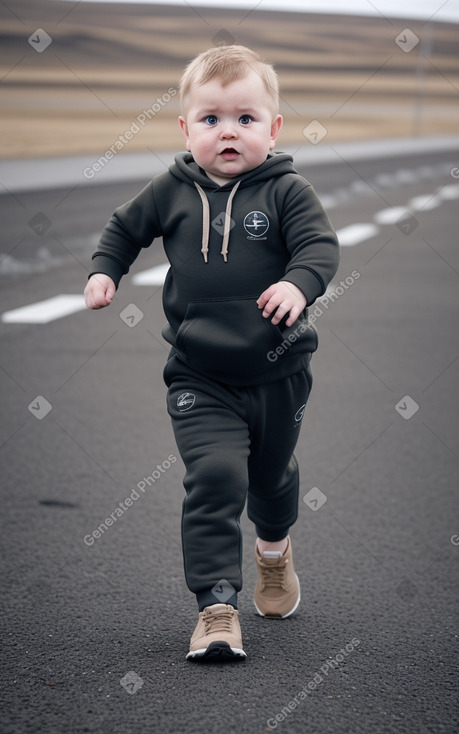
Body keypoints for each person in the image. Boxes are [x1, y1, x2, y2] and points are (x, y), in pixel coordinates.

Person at [84, 45, 339, 662]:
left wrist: (296, 284)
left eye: (246, 119)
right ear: (185, 128)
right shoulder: (170, 189)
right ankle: (217, 608)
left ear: (273, 129)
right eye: (211, 119)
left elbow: (321, 250)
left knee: (270, 478)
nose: (229, 132)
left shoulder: (288, 191)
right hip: (199, 375)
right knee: (216, 476)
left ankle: (273, 553)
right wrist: (105, 272)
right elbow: (123, 230)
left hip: (278, 373)